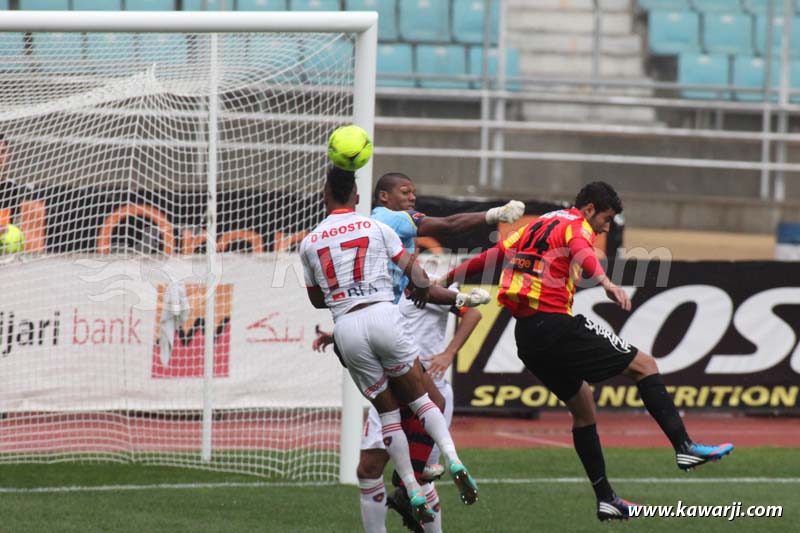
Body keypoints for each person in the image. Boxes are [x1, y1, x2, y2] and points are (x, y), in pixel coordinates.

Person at [441, 181, 734, 521]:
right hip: (555, 326)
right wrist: (607, 282)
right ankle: (685, 448)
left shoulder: (539, 223)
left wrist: (446, 277)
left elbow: (491, 257)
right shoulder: (575, 225)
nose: (606, 227)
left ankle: (606, 499)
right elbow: (582, 251)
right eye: (605, 218)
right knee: (645, 365)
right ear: (590, 208)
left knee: (583, 406)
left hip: (527, 337)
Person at [299, 166, 478, 527]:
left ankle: (411, 485)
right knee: (426, 401)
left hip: (348, 324)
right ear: (359, 197)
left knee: (387, 414)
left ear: (324, 197)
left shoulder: (310, 241)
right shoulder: (379, 228)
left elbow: (318, 300)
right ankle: (452, 458)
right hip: (384, 316)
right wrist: (430, 286)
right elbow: (415, 274)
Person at [314, 284, 482, 533]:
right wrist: (337, 336)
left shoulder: (426, 284)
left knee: (420, 479)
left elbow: (472, 313)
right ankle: (446, 463)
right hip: (388, 389)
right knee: (368, 470)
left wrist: (448, 353)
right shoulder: (377, 289)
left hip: (424, 388)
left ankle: (424, 494)